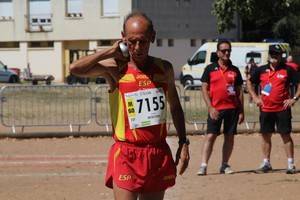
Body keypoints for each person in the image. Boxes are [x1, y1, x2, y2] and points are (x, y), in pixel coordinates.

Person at [70, 11, 190, 200]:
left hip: (156, 152)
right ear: (123, 38)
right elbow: (75, 69)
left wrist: (183, 142)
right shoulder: (116, 68)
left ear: (152, 37)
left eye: (143, 41)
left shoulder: (164, 69)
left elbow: (175, 106)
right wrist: (110, 51)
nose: (137, 47)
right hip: (127, 154)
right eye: (131, 42)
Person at [247, 44, 300, 174]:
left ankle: (290, 164)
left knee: (285, 135)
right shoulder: (261, 70)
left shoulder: (287, 70)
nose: (275, 56)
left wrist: (294, 98)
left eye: (277, 54)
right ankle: (266, 163)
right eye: (273, 54)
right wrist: (255, 97)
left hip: (282, 109)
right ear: (269, 55)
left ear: (281, 56)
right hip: (266, 109)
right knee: (265, 136)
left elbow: (299, 83)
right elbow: (249, 82)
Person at [197, 40, 244, 176]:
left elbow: (239, 91)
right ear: (218, 53)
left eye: (228, 50)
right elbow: (204, 89)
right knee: (210, 136)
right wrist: (210, 107)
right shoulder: (210, 69)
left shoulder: (235, 70)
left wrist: (241, 111)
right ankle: (203, 165)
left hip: (232, 109)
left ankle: (224, 164)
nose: (227, 53)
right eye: (223, 50)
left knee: (229, 137)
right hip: (216, 109)